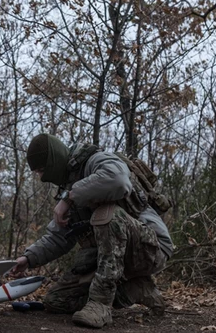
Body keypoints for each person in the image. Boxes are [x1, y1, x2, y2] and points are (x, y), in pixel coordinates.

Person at [11, 133, 174, 329]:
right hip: (119, 257)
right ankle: (135, 289)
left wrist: (69, 198)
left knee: (107, 215)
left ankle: (100, 304)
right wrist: (28, 259)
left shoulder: (96, 160)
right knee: (56, 300)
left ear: (54, 162)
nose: (41, 177)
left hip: (152, 249)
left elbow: (119, 181)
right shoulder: (69, 186)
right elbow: (58, 237)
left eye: (42, 170)